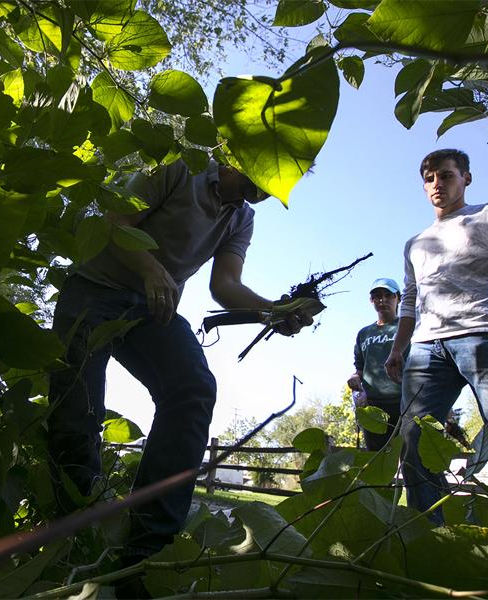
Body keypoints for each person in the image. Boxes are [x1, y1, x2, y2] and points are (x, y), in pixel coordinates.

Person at [47, 158, 315, 563]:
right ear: (250, 154)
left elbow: (224, 286)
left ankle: (145, 548)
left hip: (152, 307)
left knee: (192, 388)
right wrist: (151, 267)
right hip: (93, 288)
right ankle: (71, 540)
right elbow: (115, 221)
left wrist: (272, 311)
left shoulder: (241, 219)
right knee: (76, 408)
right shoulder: (178, 166)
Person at [384, 149, 488, 522]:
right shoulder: (416, 243)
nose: (437, 183)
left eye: (446, 175)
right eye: (430, 178)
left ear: (466, 178)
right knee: (414, 441)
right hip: (427, 349)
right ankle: (431, 538)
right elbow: (410, 298)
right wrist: (398, 349)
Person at [347, 278, 403, 451]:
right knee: (377, 461)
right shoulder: (364, 333)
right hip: (374, 407)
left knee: (412, 460)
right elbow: (360, 368)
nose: (382, 300)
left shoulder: (408, 327)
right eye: (377, 296)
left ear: (398, 299)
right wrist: (354, 378)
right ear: (371, 300)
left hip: (405, 402)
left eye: (388, 295)